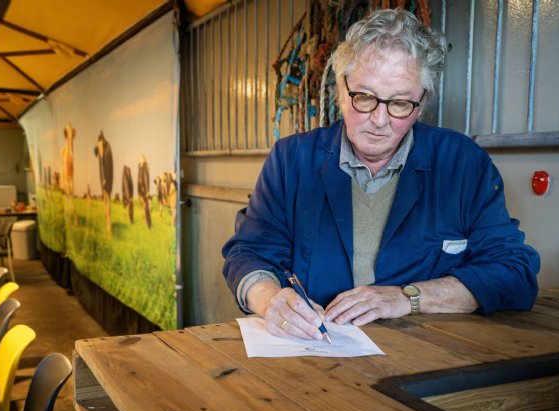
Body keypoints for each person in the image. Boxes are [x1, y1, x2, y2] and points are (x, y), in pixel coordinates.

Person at [222, 9, 540, 341]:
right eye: (364, 97)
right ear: (341, 91)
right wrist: (269, 299)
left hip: (432, 359)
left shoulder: (463, 163)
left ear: (421, 104)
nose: (379, 119)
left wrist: (408, 297)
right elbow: (249, 253)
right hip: (315, 354)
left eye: (400, 103)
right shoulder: (291, 160)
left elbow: (514, 273)